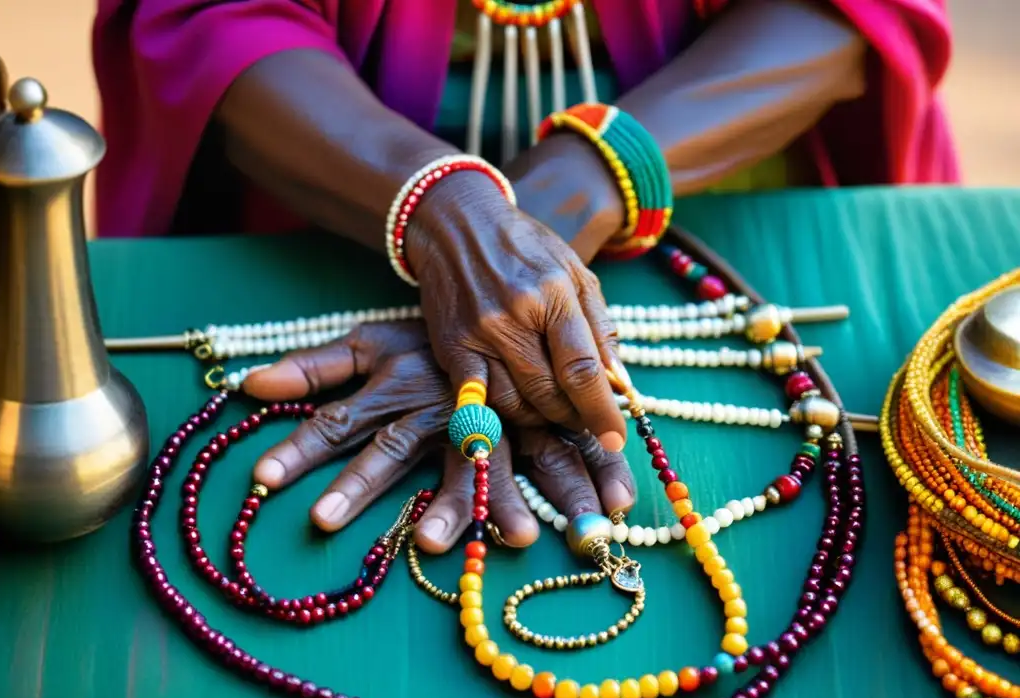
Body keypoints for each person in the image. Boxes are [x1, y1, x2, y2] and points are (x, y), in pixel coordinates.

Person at [92, 0, 956, 553]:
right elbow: (214, 19)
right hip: (333, 181)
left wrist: (538, 216)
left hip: (713, 174)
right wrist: (446, 220)